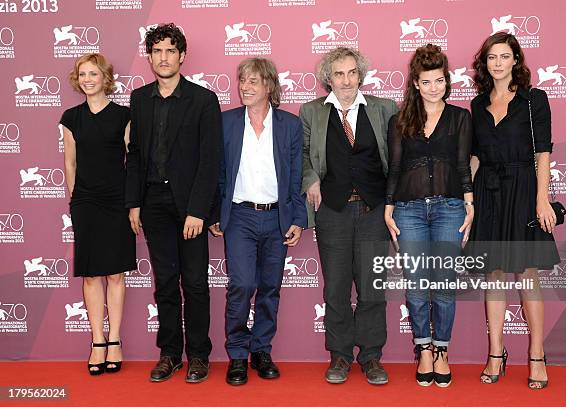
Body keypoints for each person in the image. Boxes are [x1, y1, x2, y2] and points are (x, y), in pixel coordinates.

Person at [125, 23, 222, 383]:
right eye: (157, 51)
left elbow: (211, 160)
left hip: (189, 206)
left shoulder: (203, 100)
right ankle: (170, 354)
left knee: (195, 282)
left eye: (170, 51)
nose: (164, 57)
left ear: (182, 56)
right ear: (149, 57)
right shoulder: (139, 99)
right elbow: (134, 155)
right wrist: (134, 202)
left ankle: (198, 355)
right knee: (165, 282)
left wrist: (198, 210)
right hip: (153, 202)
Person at [300, 47, 398, 385]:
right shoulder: (311, 111)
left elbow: (396, 158)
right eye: (339, 74)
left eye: (352, 72)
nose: (346, 80)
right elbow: (301, 154)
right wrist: (310, 179)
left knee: (373, 287)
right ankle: (340, 356)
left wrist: (391, 201)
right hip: (333, 212)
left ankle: (371, 357)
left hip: (374, 211)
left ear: (361, 75)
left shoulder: (384, 109)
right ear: (329, 78)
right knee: (336, 287)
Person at [469, 32, 560, 390]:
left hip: (523, 190)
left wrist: (542, 199)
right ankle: (496, 353)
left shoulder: (534, 100)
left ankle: (537, 354)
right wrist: (468, 201)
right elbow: (475, 156)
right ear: (485, 63)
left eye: (504, 56)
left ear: (515, 61)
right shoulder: (477, 104)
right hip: (488, 192)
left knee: (527, 276)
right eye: (491, 57)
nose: (497, 63)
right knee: (492, 275)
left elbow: (543, 154)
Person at [209, 58, 307, 386]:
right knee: (241, 286)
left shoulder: (290, 126)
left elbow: (295, 177)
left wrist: (297, 218)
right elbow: (216, 173)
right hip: (239, 217)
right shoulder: (226, 123)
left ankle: (261, 349)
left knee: (269, 288)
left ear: (269, 86)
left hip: (277, 216)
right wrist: (214, 214)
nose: (245, 87)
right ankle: (237, 354)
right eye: (242, 81)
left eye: (253, 81)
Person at [384, 44, 474, 388]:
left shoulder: (460, 117)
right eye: (427, 81)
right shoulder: (401, 120)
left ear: (446, 81)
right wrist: (389, 209)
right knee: (419, 285)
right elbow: (395, 167)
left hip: (450, 208)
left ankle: (442, 350)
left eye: (440, 80)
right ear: (416, 84)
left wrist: (470, 205)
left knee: (445, 285)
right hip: (408, 211)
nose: (434, 87)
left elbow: (464, 165)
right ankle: (423, 348)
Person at [61, 53, 135, 375]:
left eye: (94, 73)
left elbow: (132, 162)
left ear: (106, 78)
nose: (88, 79)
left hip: (118, 202)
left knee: (116, 273)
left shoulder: (124, 117)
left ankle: (115, 340)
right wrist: (75, 200)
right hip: (86, 203)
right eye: (83, 74)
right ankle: (97, 342)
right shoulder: (71, 118)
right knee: (91, 274)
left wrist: (133, 201)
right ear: (77, 79)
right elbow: (70, 164)